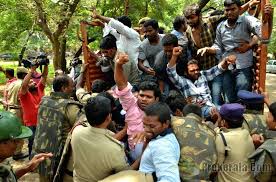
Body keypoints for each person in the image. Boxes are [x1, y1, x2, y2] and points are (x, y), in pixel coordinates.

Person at [197, 0, 273, 103]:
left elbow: (265, 37)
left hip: (244, 67)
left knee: (242, 98)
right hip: (227, 67)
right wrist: (208, 49)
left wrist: (270, 17)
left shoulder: (247, 21)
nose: (229, 12)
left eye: (233, 9)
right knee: (229, 101)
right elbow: (218, 47)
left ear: (240, 9)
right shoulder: (221, 26)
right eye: (227, 10)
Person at [71, 96, 139, 182]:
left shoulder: (77, 130)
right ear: (108, 117)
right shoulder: (115, 149)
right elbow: (126, 174)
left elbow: (100, 139)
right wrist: (142, 155)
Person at [33, 75, 83, 182]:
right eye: (71, 86)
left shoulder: (44, 100)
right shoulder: (70, 107)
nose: (73, 88)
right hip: (60, 156)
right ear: (64, 88)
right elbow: (83, 126)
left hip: (41, 150)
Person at [114, 53, 161, 161]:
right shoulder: (131, 104)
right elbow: (122, 84)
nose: (143, 99)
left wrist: (148, 133)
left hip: (153, 152)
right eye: (141, 95)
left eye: (148, 97)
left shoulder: (161, 111)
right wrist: (118, 65)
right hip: (134, 152)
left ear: (156, 99)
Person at [166, 47, 236, 118]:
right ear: (186, 73)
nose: (196, 72)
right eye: (192, 71)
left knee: (230, 109)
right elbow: (170, 72)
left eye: (197, 69)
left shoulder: (203, 75)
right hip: (194, 112)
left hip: (210, 107)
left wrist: (226, 60)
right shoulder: (182, 81)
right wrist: (174, 56)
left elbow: (218, 69)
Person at [0, 111, 52, 181]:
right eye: (15, 141)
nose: (18, 144)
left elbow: (8, 178)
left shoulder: (2, 160)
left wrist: (28, 167)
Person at [171, 104, 217, 181]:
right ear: (201, 117)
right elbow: (214, 165)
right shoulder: (211, 133)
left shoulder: (174, 122)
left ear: (182, 113)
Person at [139, 102, 180, 182]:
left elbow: (171, 179)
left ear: (166, 124)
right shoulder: (161, 137)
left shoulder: (162, 146)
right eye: (144, 125)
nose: (146, 130)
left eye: (152, 126)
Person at [215, 103, 255, 182]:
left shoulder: (222, 138)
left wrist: (216, 122)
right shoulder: (246, 133)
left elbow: (216, 167)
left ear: (224, 121)